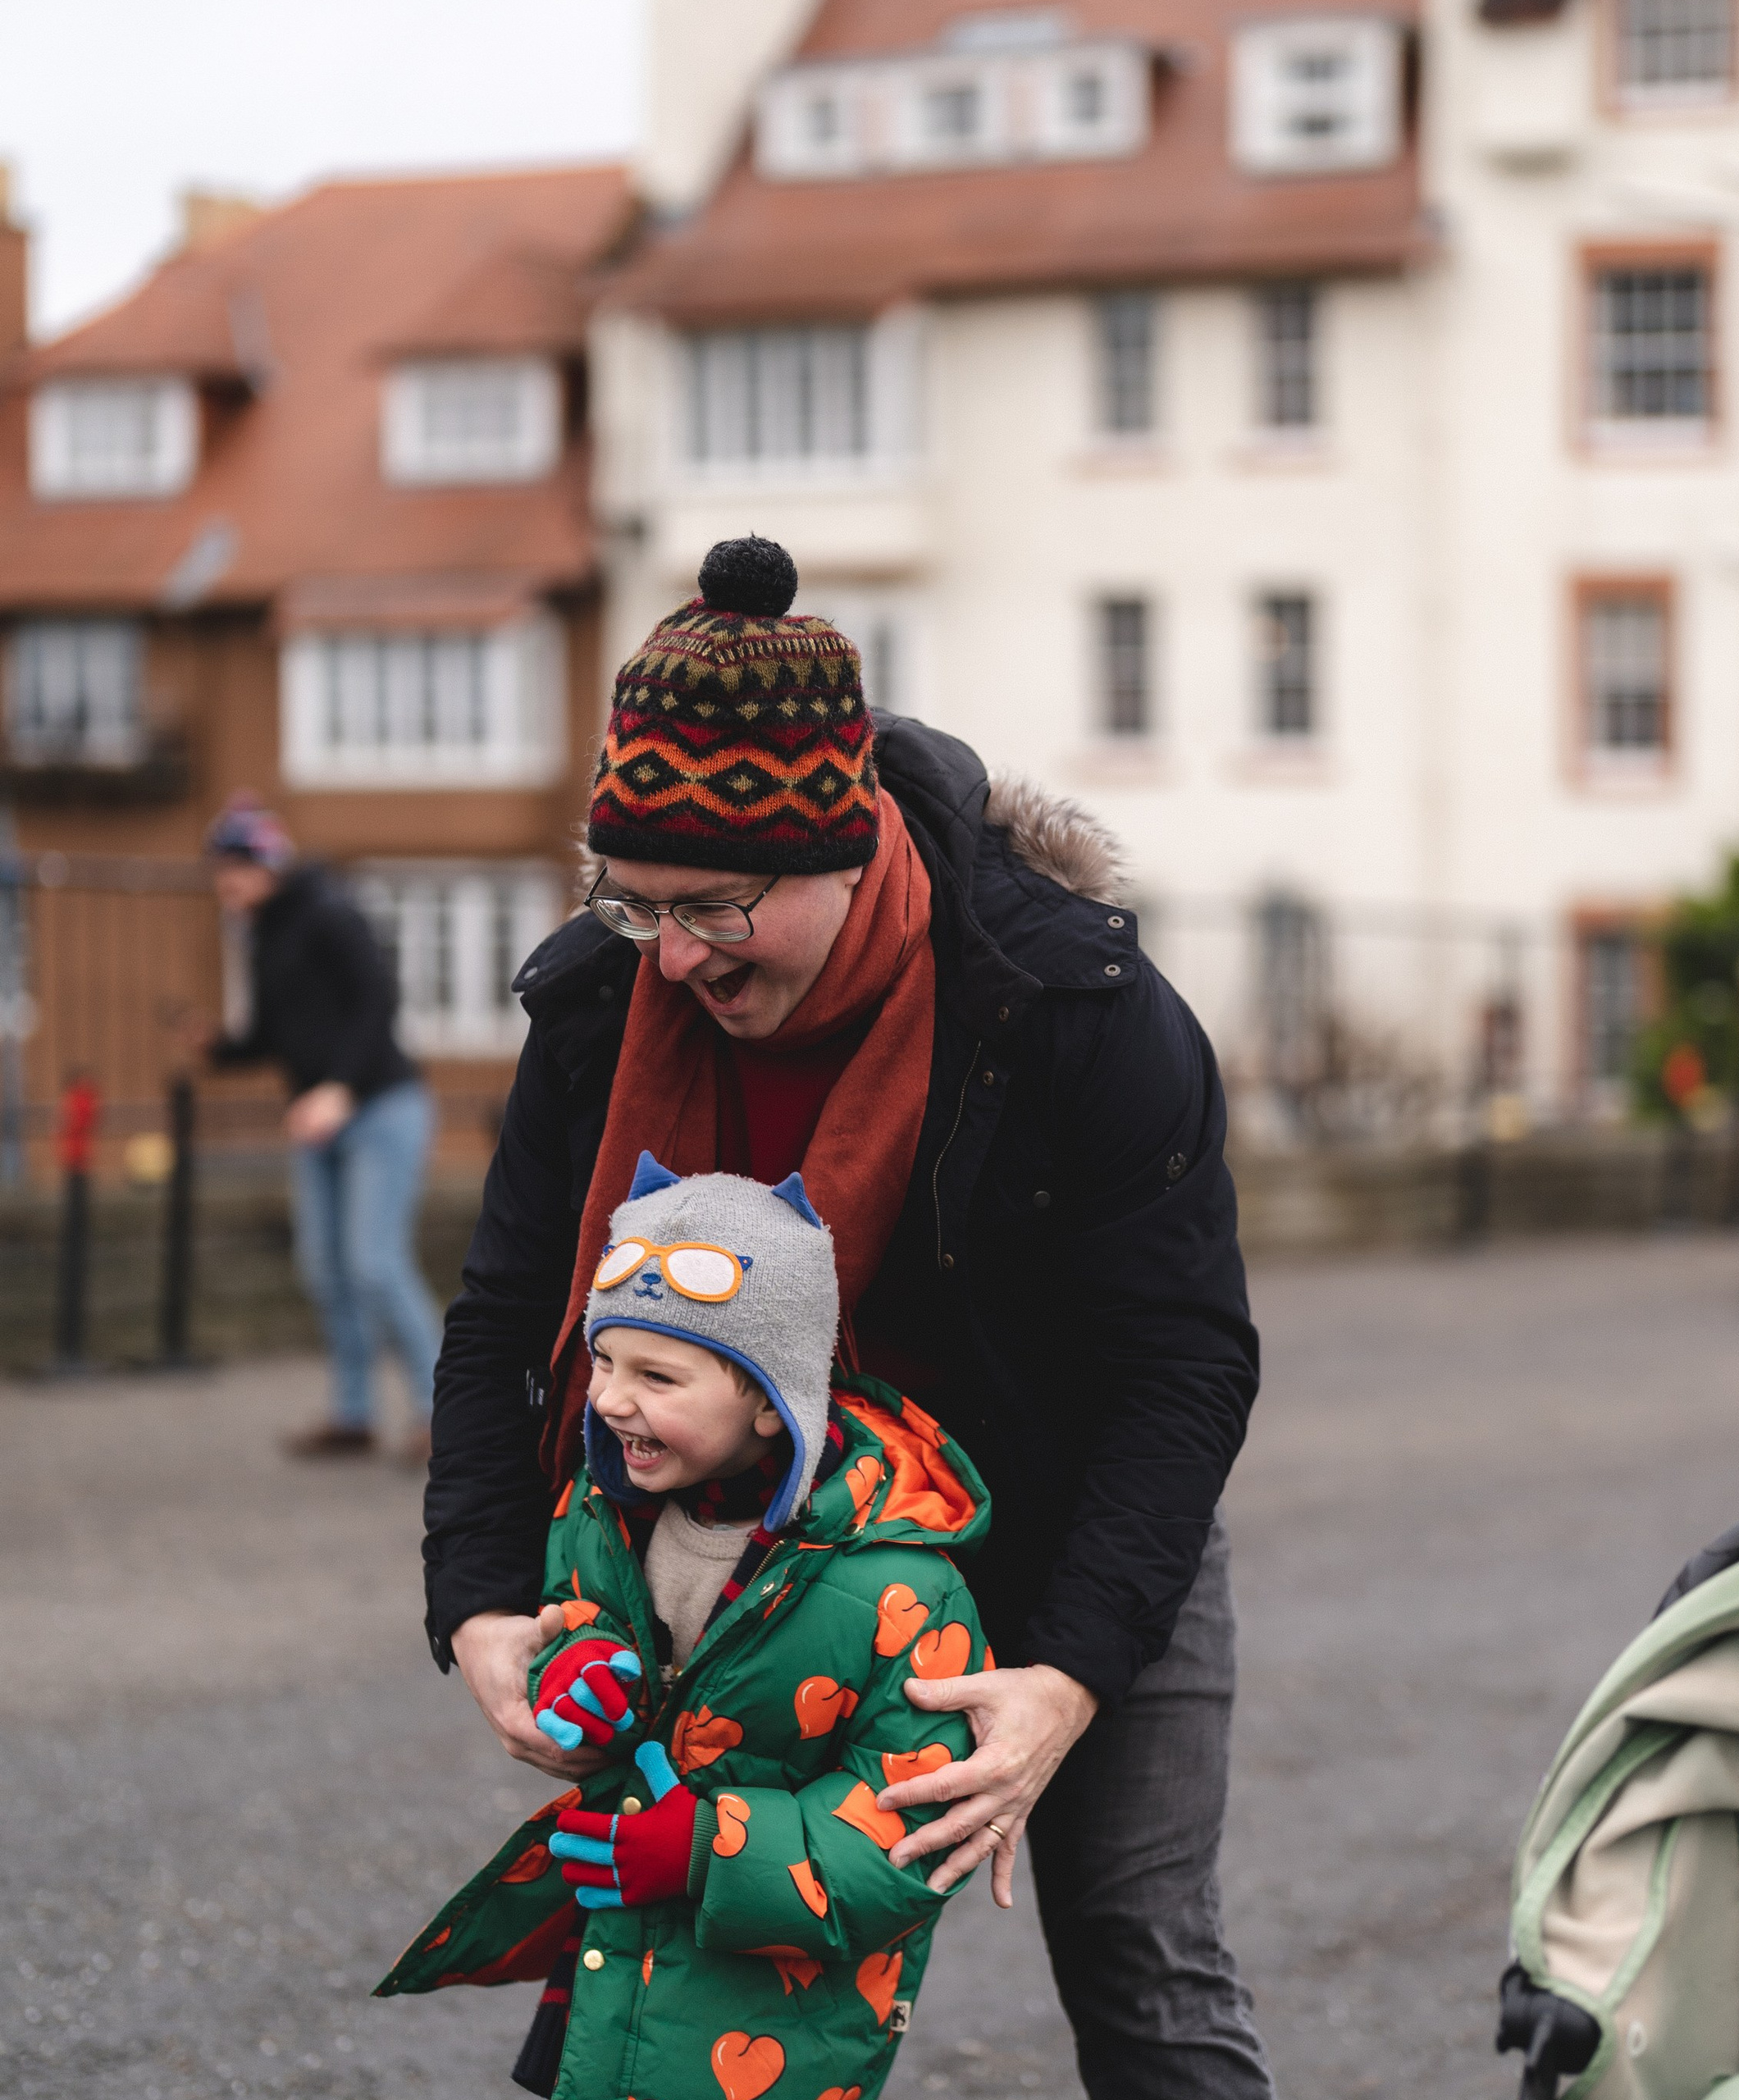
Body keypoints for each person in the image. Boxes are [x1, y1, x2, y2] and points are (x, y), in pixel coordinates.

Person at [424, 536, 1271, 2098]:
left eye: (718, 911)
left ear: (846, 853)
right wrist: (480, 1594)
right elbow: (501, 1319)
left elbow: (1184, 1367)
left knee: (1143, 1962)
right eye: (636, 906)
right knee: (649, 1971)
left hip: (1068, 1517)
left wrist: (1070, 1675)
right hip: (736, 1561)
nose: (675, 957)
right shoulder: (608, 1003)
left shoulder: (1070, 1004)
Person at [381, 1157, 991, 2100]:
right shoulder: (608, 1508)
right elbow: (580, 1614)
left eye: (658, 1374)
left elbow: (912, 1830)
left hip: (777, 2027)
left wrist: (705, 1848)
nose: (612, 1400)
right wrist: (583, 1675)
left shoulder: (899, 1584)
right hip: (615, 1964)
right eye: (605, 1362)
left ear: (767, 1394)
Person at [203, 795, 443, 1460]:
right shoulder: (262, 932)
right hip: (318, 1121)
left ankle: (442, 1414)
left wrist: (339, 1086)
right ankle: (354, 1413)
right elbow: (275, 1033)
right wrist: (220, 1049)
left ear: (266, 862)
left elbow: (377, 999)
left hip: (382, 1108)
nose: (224, 883)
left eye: (233, 867)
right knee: (325, 1269)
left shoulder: (329, 912)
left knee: (375, 1262)